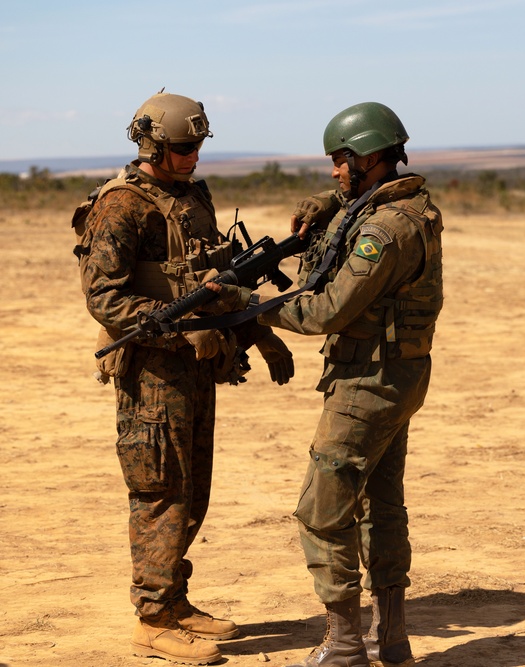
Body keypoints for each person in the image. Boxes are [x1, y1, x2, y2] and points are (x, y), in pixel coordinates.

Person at [210, 101, 443, 667]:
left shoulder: (384, 231)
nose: (335, 172)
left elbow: (326, 312)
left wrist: (251, 306)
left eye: (341, 162)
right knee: (380, 506)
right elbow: (351, 204)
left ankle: (343, 644)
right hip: (396, 373)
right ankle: (392, 640)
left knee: (324, 508)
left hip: (370, 381)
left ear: (369, 157)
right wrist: (325, 203)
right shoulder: (400, 204)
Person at [77, 91, 295, 665]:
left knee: (193, 488)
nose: (193, 155)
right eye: (182, 147)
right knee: (158, 490)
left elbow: (216, 279)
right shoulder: (121, 205)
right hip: (152, 372)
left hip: (197, 367)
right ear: (152, 144)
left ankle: (174, 600)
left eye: (198, 145)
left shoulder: (194, 197)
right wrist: (168, 331)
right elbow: (103, 295)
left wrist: (256, 335)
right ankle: (151, 618)